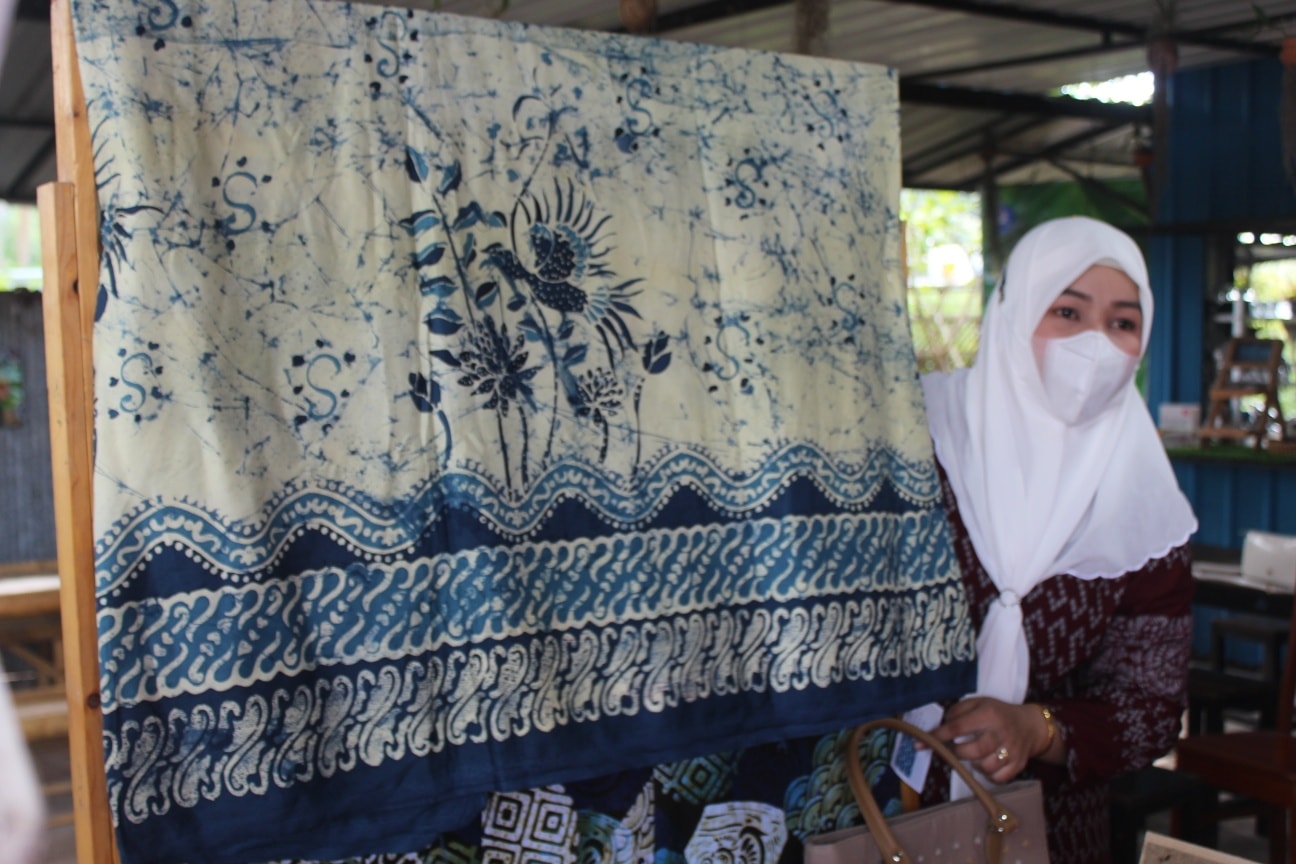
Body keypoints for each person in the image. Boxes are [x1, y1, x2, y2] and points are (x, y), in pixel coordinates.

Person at [915, 215, 1198, 864]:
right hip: (877, 811)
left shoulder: (1143, 506)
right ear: (1014, 314)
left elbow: (1150, 704)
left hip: (1048, 830)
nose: (1095, 343)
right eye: (1067, 311)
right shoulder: (914, 448)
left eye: (1122, 323)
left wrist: (1038, 729)